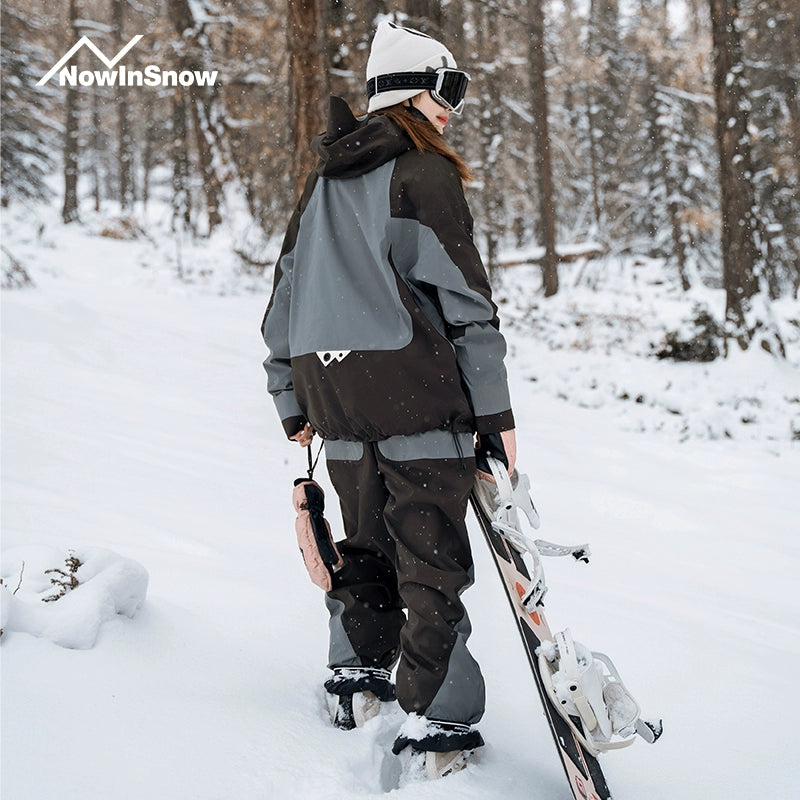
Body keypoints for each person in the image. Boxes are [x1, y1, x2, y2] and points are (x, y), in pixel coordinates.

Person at [261, 19, 516, 781]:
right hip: (412, 392)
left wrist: (288, 395)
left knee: (363, 540)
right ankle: (441, 723)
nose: (453, 111)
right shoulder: (423, 174)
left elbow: (283, 300)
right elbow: (466, 303)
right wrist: (497, 417)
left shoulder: (322, 181)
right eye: (449, 93)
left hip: (333, 394)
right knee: (429, 557)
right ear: (419, 92)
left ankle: (358, 676)